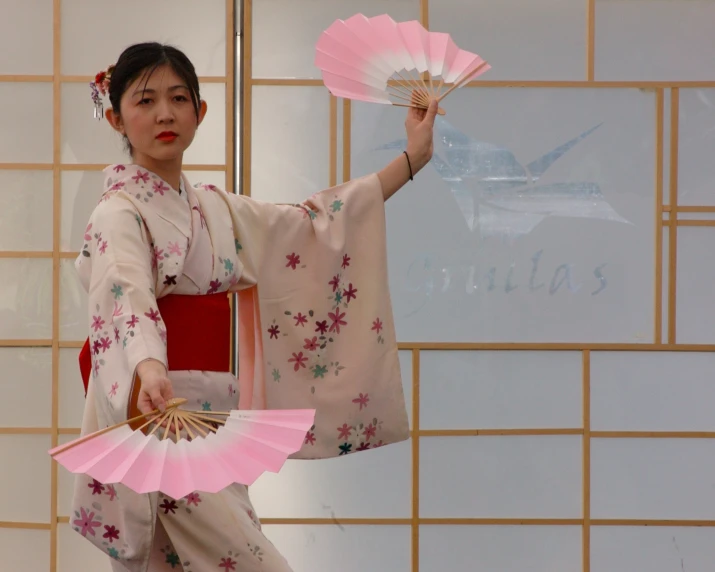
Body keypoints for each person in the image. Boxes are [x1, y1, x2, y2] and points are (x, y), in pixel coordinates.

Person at [71, 42, 437, 572]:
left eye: (178, 98)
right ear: (115, 118)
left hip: (215, 422)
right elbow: (125, 294)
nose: (165, 114)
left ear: (200, 111)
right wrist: (149, 365)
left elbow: (315, 224)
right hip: (160, 416)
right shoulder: (118, 213)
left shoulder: (218, 210)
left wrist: (411, 160)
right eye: (145, 101)